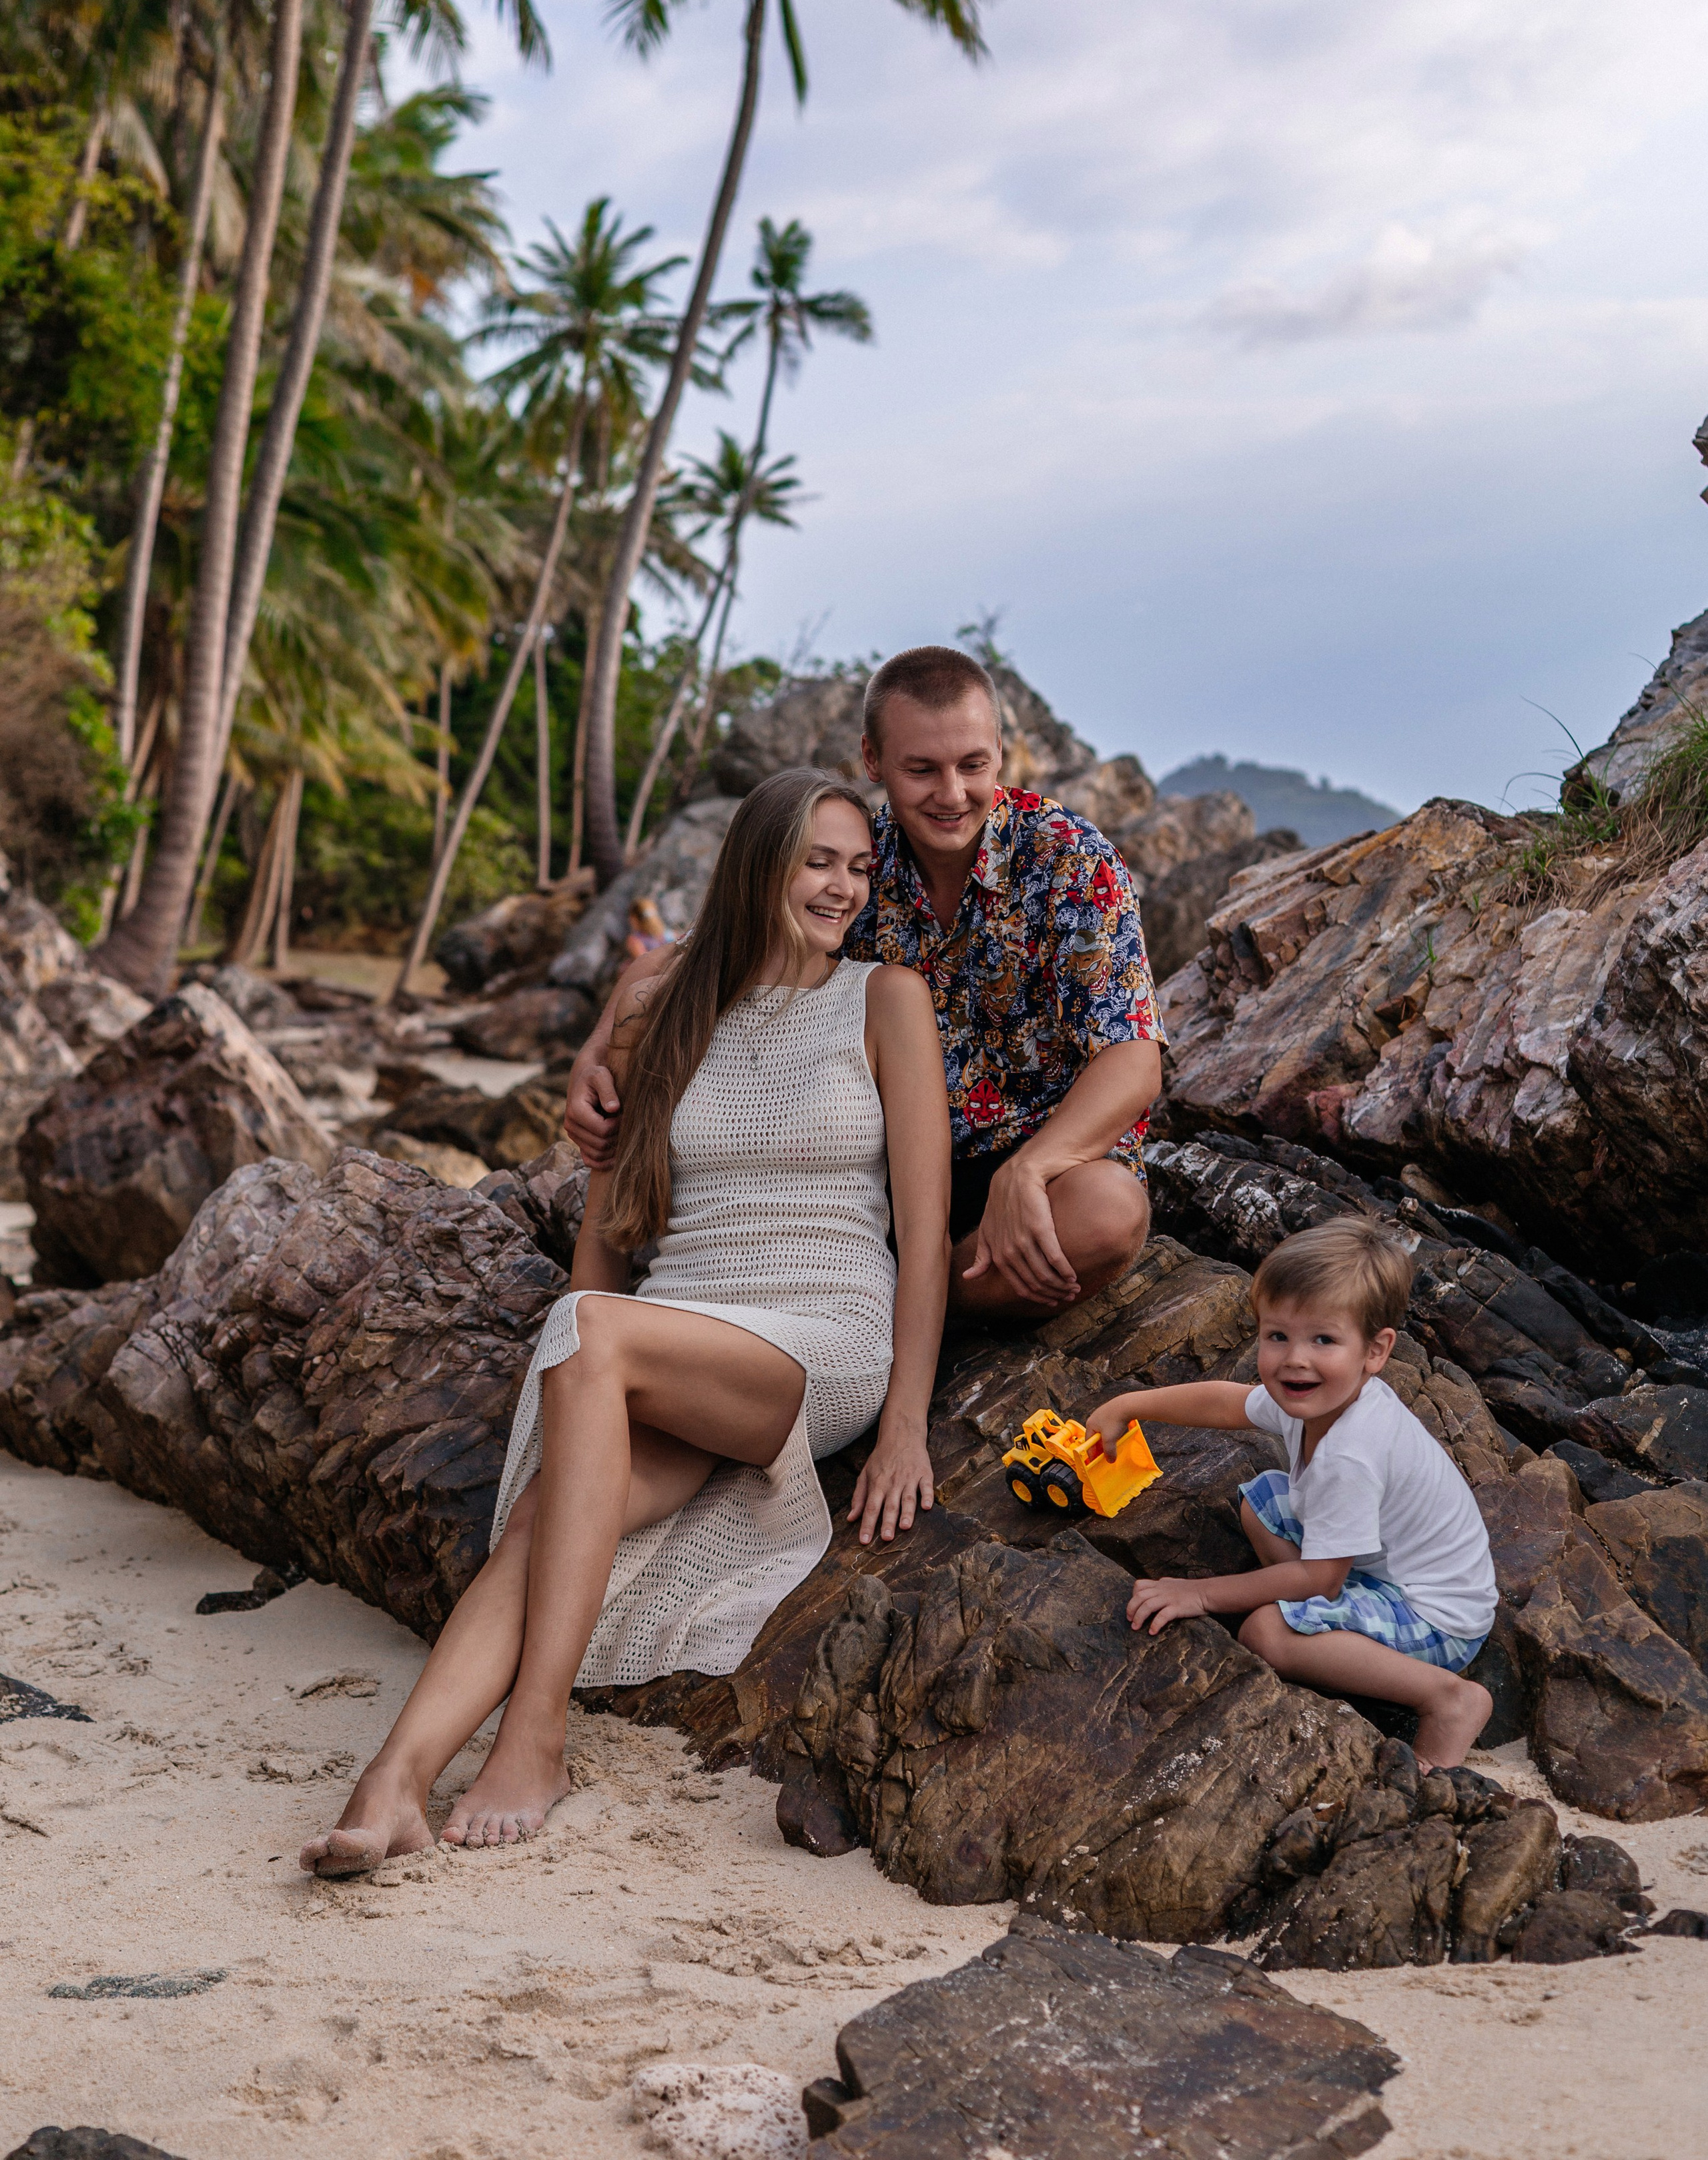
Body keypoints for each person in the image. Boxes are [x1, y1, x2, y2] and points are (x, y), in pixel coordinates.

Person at [302, 769, 949, 1872]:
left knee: (595, 1334)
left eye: (856, 865)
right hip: (671, 1336)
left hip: (819, 1334)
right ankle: (397, 1778)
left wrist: (905, 1426)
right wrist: (565, 1381)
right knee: (550, 1515)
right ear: (760, 866)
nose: (842, 887)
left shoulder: (886, 999)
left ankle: (536, 1733)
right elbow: (611, 1225)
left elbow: (925, 1235)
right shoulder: (666, 1004)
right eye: (816, 862)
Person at [564, 646, 1164, 1321]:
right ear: (873, 762)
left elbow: (1133, 1057)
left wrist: (1028, 1171)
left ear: (1001, 752)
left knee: (1108, 1215)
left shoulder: (1067, 858)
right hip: (884, 1171)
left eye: (973, 765)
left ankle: (927, 1313)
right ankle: (883, 1304)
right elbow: (689, 954)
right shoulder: (853, 864)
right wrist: (593, 1057)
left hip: (1040, 1151)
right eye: (921, 769)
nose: (951, 793)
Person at [1086, 1218, 1497, 1771]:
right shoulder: (1323, 1394)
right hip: (1380, 1568)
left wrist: (1200, 1594)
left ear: (1375, 1352)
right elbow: (1228, 1404)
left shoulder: (1349, 1454)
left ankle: (1446, 1699)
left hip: (1435, 1618)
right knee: (1262, 1501)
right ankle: (1328, 1628)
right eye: (1277, 1335)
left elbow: (1320, 1579)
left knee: (1265, 1630)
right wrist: (1129, 1405)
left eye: (1323, 1339)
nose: (1294, 1359)